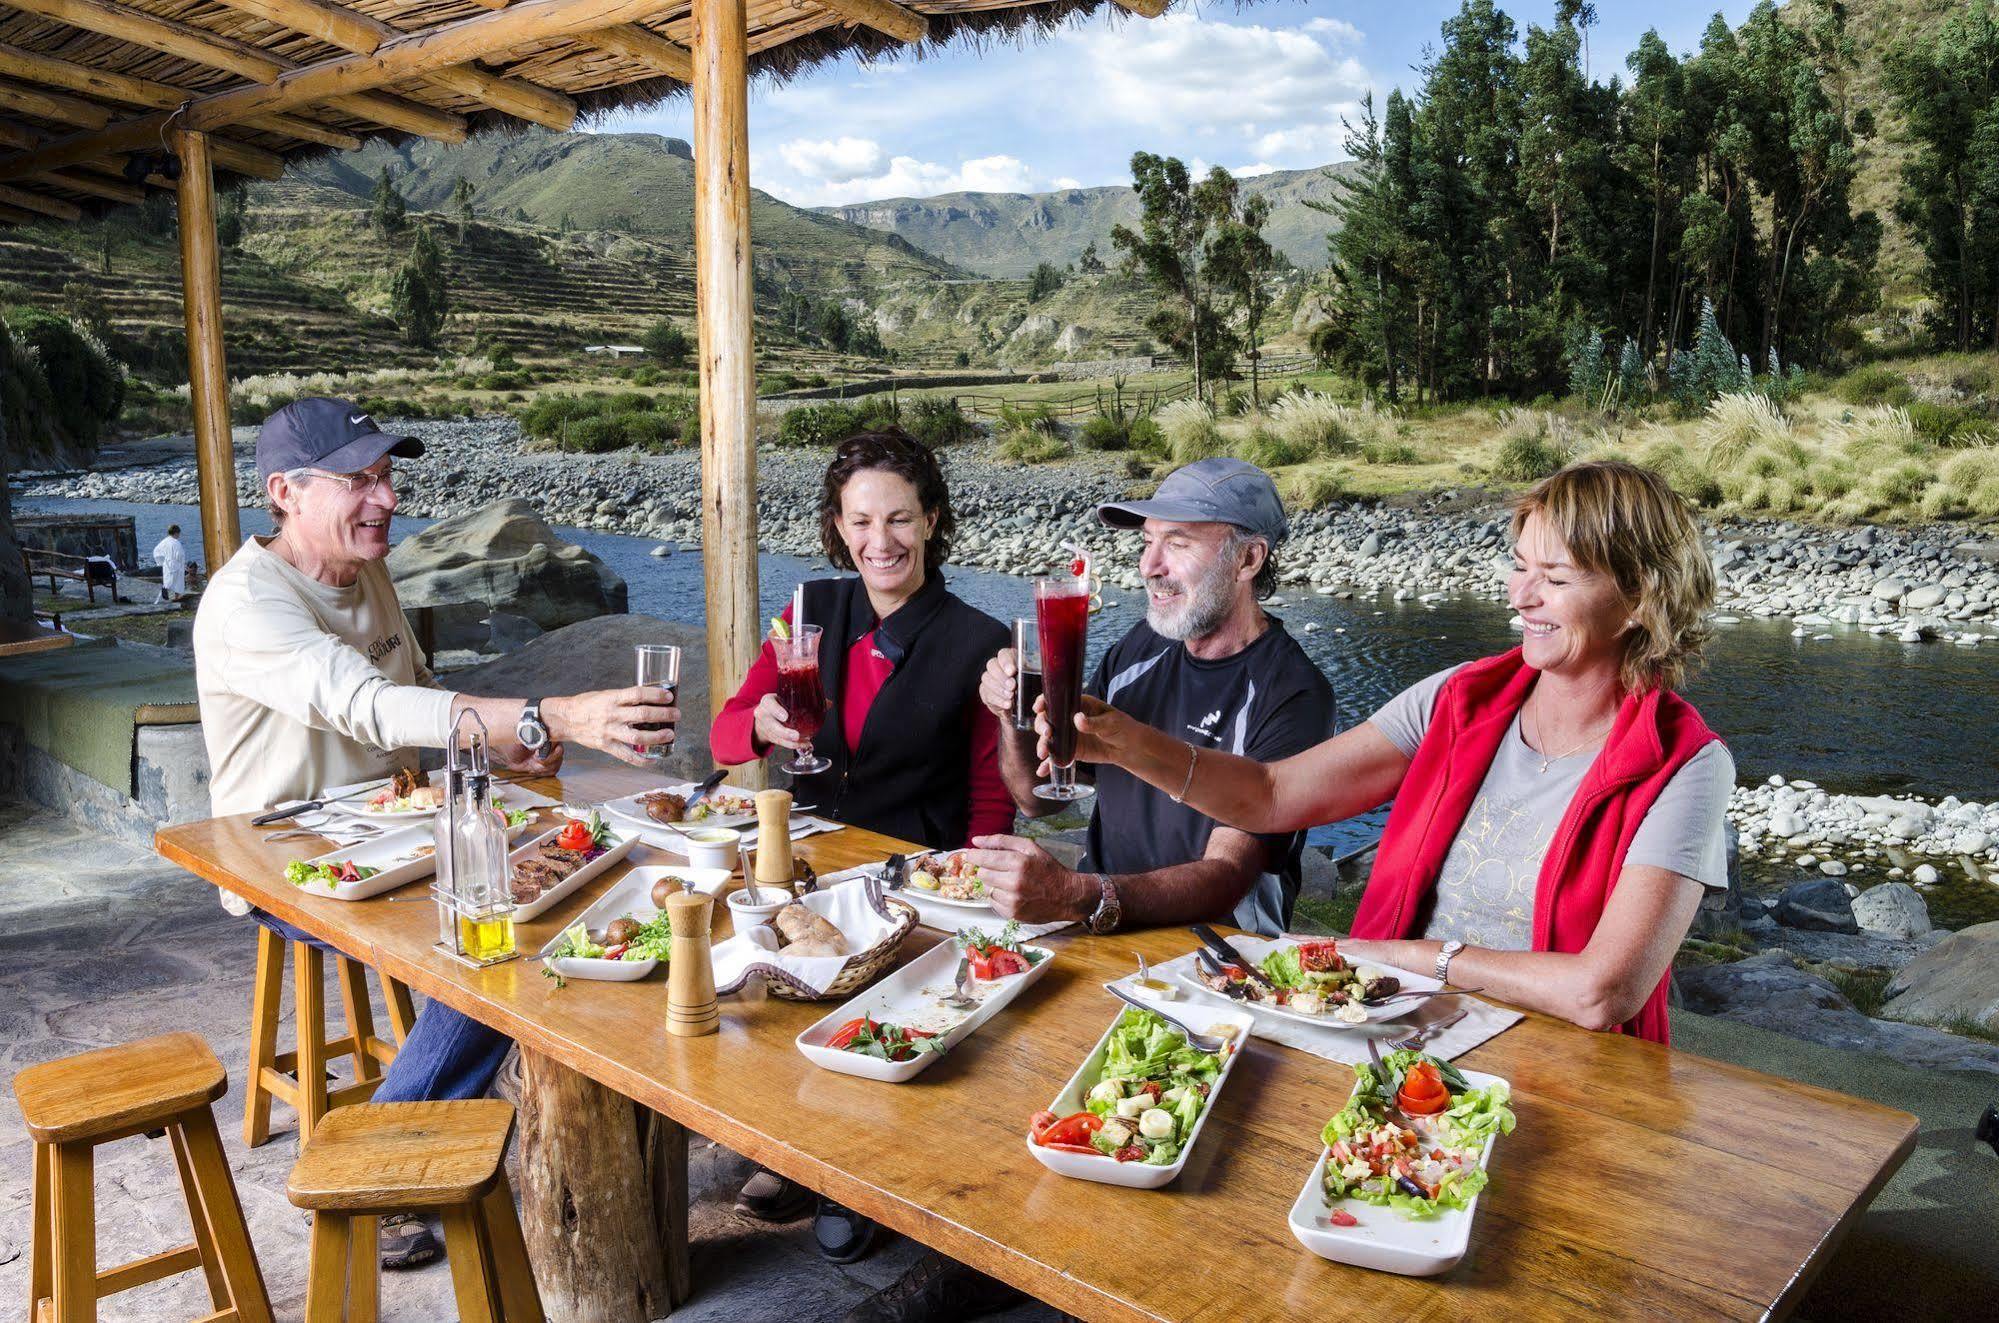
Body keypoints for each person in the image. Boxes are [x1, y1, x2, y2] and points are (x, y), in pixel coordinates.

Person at [193, 397, 679, 1269]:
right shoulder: (246, 604)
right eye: (357, 480)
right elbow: (371, 706)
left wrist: (505, 754)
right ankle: (385, 1158)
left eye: (386, 475)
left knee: (579, 877)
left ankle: (538, 1117)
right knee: (493, 936)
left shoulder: (364, 569)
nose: (384, 497)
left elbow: (421, 701)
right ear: (284, 493)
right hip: (285, 856)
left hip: (393, 830)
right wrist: (547, 713)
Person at [1059, 460, 1732, 1043]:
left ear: (1640, 595)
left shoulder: (1687, 765)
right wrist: (1121, 742)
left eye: (1553, 577)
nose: (1519, 595)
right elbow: (1270, 795)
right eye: (1519, 567)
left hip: (1562, 1069)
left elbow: (1600, 992)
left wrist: (1405, 958)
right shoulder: (1456, 697)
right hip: (1388, 1030)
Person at [711, 427, 1009, 1266]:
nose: (881, 541)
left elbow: (989, 793)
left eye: (901, 519)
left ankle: (855, 1174)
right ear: (838, 527)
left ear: (933, 520)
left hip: (915, 875)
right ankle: (793, 1144)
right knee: (756, 960)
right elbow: (729, 731)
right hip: (809, 858)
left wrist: (979, 891)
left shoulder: (977, 638)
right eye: (861, 521)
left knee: (869, 993)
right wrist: (760, 723)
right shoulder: (806, 610)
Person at [972, 457, 1335, 938]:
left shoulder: (1293, 693)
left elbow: (1227, 877)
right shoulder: (1138, 649)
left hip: (1220, 956)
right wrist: (1011, 711)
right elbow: (1038, 800)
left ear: (1248, 559)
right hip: (1102, 926)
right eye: (1147, 541)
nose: (1148, 566)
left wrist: (1076, 893)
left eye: (1177, 543)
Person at [153, 523, 188, 603]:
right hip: (176, 564)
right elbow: (179, 555)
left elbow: (156, 552)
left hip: (167, 564)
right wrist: (183, 564)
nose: (179, 535)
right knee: (178, 582)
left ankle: (166, 593)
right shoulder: (176, 542)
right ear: (176, 533)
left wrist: (161, 563)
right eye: (179, 533)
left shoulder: (164, 541)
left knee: (168, 580)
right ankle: (176, 597)